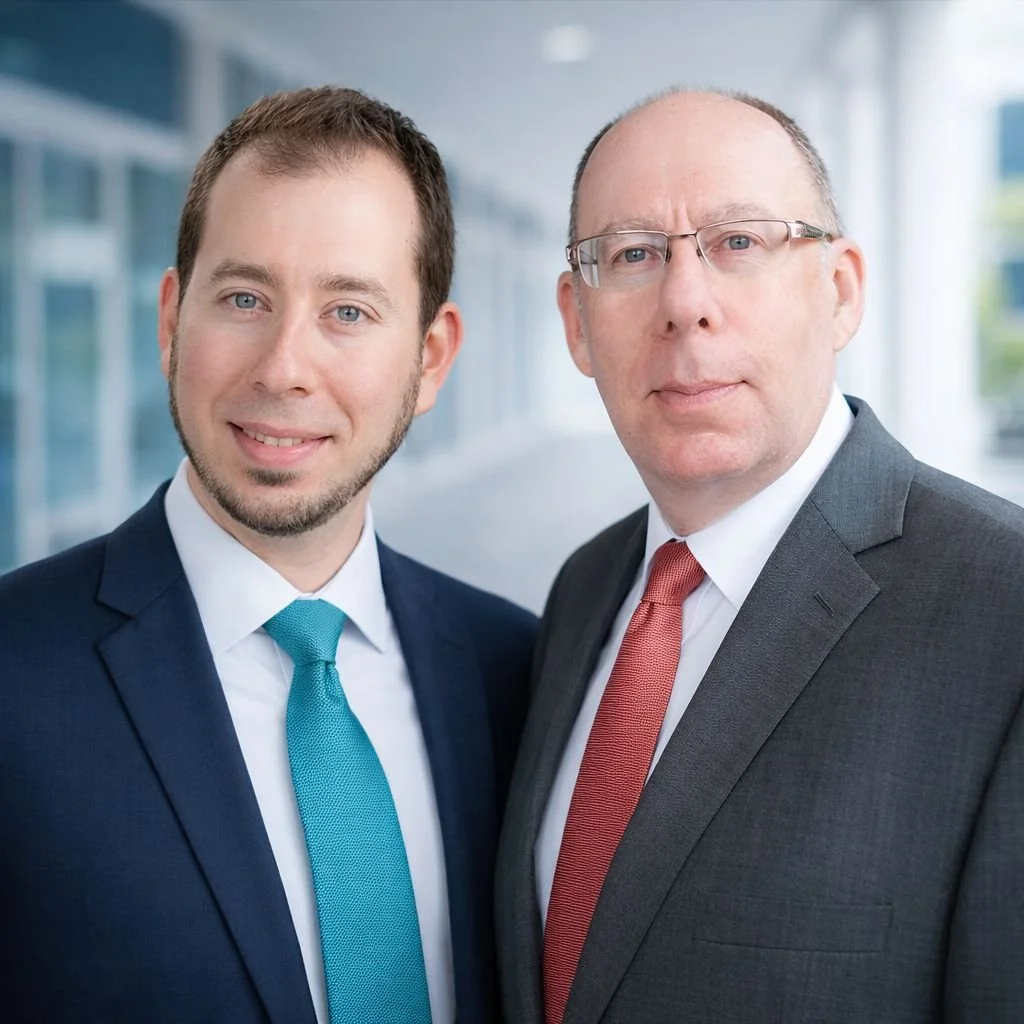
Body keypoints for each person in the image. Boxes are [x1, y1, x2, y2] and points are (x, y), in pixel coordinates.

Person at [0, 86, 536, 1024]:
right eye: (244, 298)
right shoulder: (13, 668)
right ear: (171, 324)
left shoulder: (518, 674)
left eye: (350, 311)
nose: (284, 366)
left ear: (432, 358)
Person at [496, 88, 1024, 1024]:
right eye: (633, 255)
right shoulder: (583, 592)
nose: (684, 303)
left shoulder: (1004, 607)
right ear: (577, 323)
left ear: (840, 290)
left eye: (740, 242)